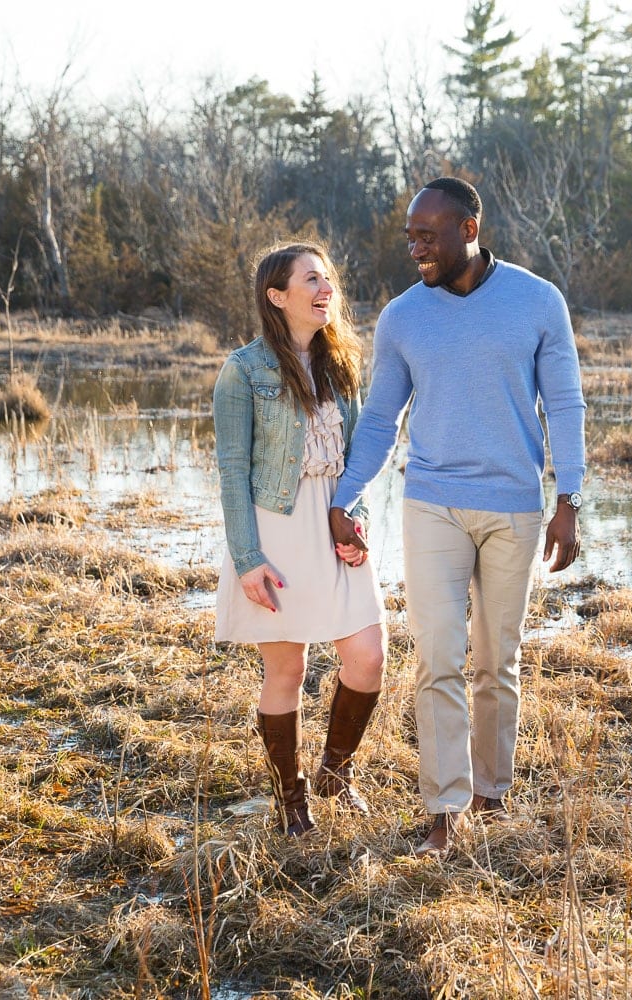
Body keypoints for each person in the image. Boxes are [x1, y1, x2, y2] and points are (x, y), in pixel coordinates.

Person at [329, 177, 586, 855]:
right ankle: (443, 811)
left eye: (427, 234)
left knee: (498, 662)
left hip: (515, 508)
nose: (415, 248)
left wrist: (570, 499)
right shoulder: (404, 316)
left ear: (469, 227)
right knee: (438, 656)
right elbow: (382, 420)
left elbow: (564, 404)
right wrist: (342, 497)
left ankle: (491, 793)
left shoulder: (537, 302)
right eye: (409, 236)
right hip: (432, 503)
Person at [213, 241, 387, 837]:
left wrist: (354, 514)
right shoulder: (244, 370)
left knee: (368, 656)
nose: (325, 289)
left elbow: (360, 454)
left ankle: (337, 773)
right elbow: (232, 469)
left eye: (328, 279)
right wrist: (247, 559)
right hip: (275, 528)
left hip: (334, 521)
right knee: (286, 671)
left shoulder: (341, 365)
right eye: (310, 279)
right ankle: (292, 800)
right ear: (276, 296)